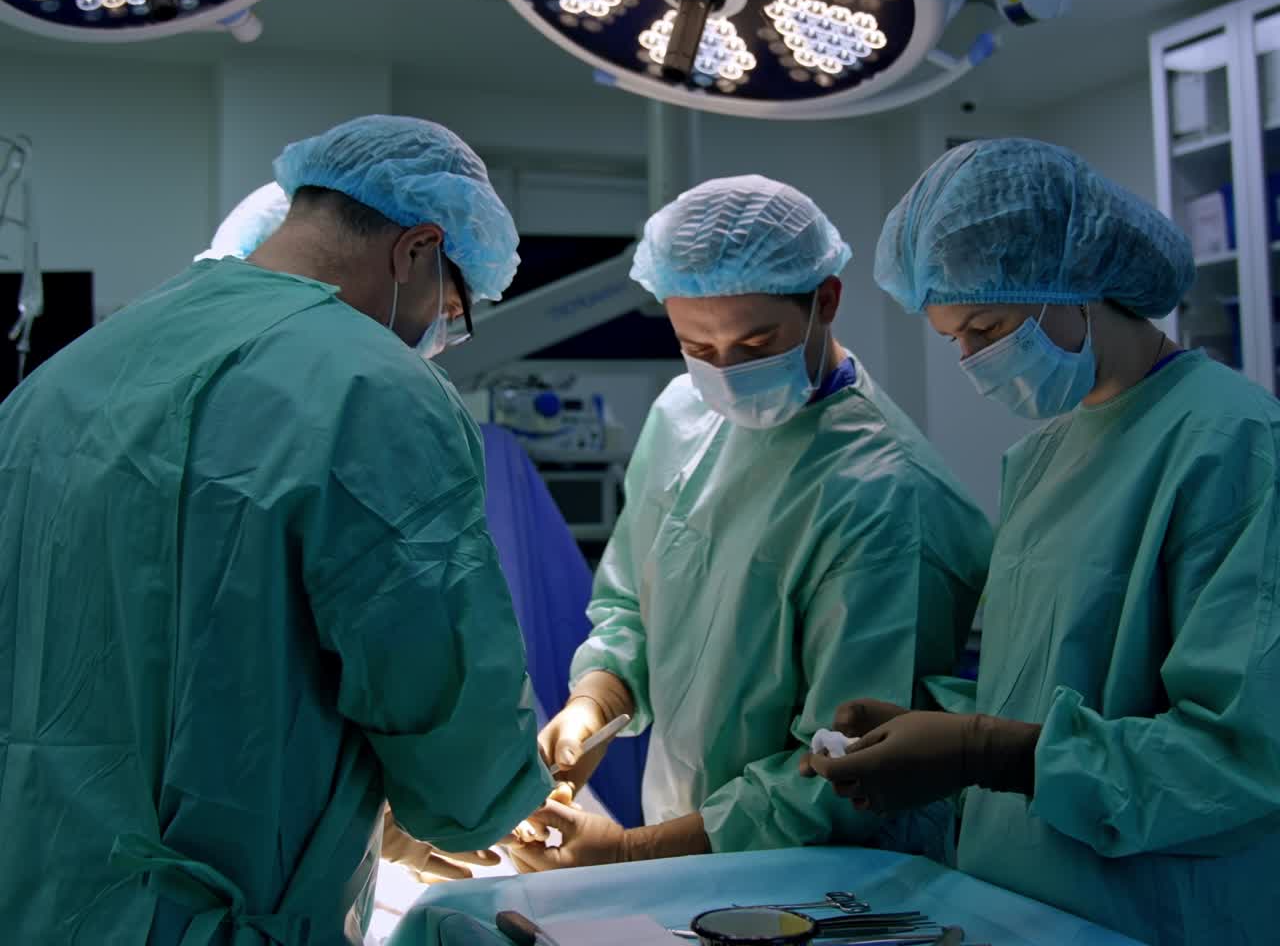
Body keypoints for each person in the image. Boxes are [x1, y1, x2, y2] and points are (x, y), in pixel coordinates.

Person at [0, 115, 550, 944]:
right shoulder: (375, 387)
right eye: (452, 307)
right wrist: (477, 802)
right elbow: (449, 726)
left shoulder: (63, 376)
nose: (438, 334)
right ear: (418, 248)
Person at [803, 137, 1280, 946]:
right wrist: (926, 728)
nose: (972, 360)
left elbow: (1240, 758)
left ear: (1077, 282)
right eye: (954, 337)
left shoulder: (1235, 443)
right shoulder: (1043, 455)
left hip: (1157, 913)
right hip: (1016, 899)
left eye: (985, 327)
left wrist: (986, 752)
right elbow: (1044, 677)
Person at [510, 175, 993, 872]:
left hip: (833, 880)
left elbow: (843, 768)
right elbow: (630, 603)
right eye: (697, 348)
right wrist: (595, 704)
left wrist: (629, 852)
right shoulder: (682, 414)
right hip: (682, 846)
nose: (725, 374)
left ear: (826, 300)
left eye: (755, 344)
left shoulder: (889, 496)